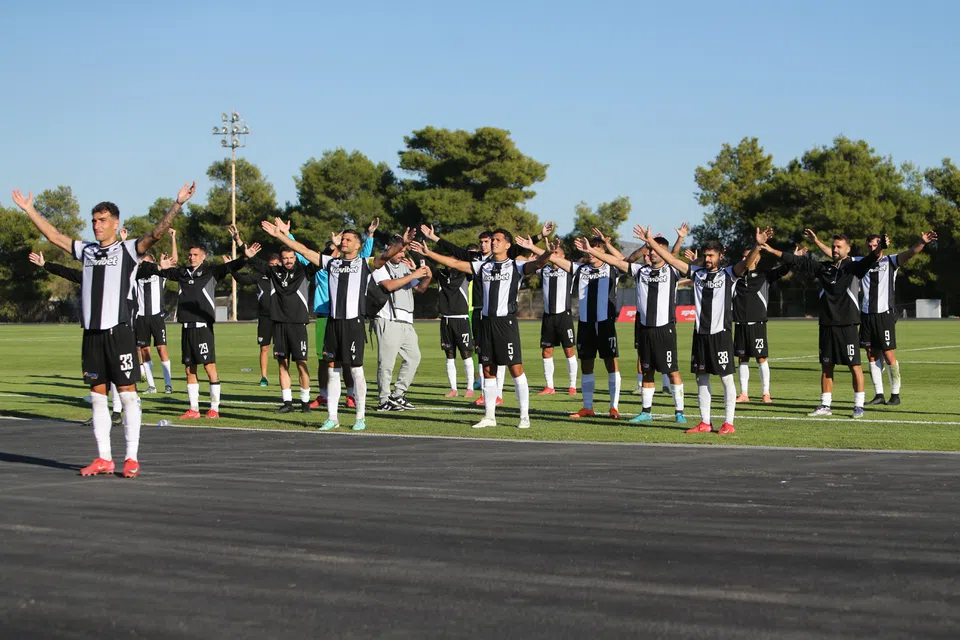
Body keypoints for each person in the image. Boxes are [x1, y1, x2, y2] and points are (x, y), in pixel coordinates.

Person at [12, 181, 197, 478]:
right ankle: (104, 458)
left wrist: (177, 204)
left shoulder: (127, 250)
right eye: (94, 221)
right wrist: (29, 209)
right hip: (92, 334)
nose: (97, 226)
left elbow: (155, 234)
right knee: (98, 397)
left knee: (127, 395)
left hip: (119, 332)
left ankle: (131, 458)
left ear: (115, 223)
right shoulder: (86, 250)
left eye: (102, 220)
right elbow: (54, 236)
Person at [261, 222, 422, 431]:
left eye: (348, 239)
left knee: (356, 371)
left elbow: (385, 256)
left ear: (357, 245)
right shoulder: (332, 263)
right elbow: (304, 251)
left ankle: (360, 417)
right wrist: (280, 235)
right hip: (333, 323)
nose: (343, 242)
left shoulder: (364, 263)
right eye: (343, 239)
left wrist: (402, 244)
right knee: (333, 372)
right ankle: (332, 418)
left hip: (353, 324)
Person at [409, 231, 557, 429]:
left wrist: (548, 253)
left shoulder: (516, 265)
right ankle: (489, 416)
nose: (494, 243)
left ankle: (524, 416)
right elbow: (455, 263)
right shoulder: (482, 266)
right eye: (492, 240)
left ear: (507, 245)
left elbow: (537, 264)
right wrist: (429, 254)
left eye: (498, 240)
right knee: (488, 370)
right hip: (486, 323)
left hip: (506, 324)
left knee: (515, 369)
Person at [639, 225, 772, 434]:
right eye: (706, 255)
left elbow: (746, 263)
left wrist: (758, 245)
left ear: (720, 256)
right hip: (700, 335)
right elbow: (671, 259)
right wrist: (650, 242)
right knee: (701, 378)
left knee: (726, 379)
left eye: (712, 255)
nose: (708, 259)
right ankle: (705, 422)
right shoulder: (697, 273)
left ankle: (729, 423)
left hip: (721, 335)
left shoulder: (729, 274)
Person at [805, 229, 938, 406]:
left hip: (884, 313)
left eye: (876, 245)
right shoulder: (859, 262)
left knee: (888, 354)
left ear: (881, 245)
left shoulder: (890, 261)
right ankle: (879, 394)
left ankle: (895, 394)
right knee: (871, 354)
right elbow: (834, 253)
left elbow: (910, 253)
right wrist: (816, 241)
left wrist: (922, 242)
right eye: (870, 246)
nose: (873, 248)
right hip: (866, 314)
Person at [763, 233, 884, 418]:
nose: (835, 249)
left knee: (855, 366)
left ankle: (858, 406)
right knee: (827, 367)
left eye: (839, 247)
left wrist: (881, 246)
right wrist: (771, 249)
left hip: (848, 325)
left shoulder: (854, 267)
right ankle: (825, 405)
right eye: (833, 246)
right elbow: (796, 260)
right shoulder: (823, 268)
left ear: (848, 249)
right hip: (827, 325)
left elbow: (872, 257)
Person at [576, 235, 688, 424]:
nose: (651, 253)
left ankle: (679, 412)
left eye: (655, 249)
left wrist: (679, 240)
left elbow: (685, 263)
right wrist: (592, 250)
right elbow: (617, 261)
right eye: (650, 249)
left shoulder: (673, 270)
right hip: (644, 329)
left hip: (665, 329)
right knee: (647, 371)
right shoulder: (640, 270)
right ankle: (646, 412)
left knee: (672, 371)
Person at [155, 224, 260, 419]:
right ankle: (194, 409)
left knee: (209, 367)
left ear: (203, 256)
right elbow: (162, 272)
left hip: (203, 328)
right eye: (190, 255)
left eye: (195, 255)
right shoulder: (182, 273)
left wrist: (245, 257)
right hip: (186, 328)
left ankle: (214, 408)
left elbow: (231, 266)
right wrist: (161, 267)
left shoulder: (211, 271)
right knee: (189, 369)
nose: (192, 257)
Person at [519, 235, 622, 419]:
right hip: (585, 324)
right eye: (588, 249)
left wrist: (607, 245)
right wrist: (533, 247)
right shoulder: (580, 269)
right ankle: (587, 407)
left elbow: (624, 260)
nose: (590, 253)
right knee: (586, 364)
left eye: (595, 249)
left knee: (611, 363)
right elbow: (553, 258)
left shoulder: (611, 268)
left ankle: (614, 407)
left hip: (605, 324)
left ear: (603, 251)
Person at [29, 251, 125, 427]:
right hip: (91, 330)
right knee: (96, 375)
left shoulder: (116, 276)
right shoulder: (87, 276)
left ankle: (117, 412)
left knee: (114, 372)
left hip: (113, 329)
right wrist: (45, 265)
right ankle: (100, 414)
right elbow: (66, 272)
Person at [246, 218, 319, 414]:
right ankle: (287, 402)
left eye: (291, 257)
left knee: (301, 364)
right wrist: (249, 256)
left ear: (296, 258)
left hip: (298, 325)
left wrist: (287, 235)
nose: (288, 261)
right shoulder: (274, 272)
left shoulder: (304, 272)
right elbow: (257, 263)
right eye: (285, 258)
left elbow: (318, 259)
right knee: (282, 364)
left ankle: (305, 402)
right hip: (278, 324)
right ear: (280, 259)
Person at [304, 220, 376, 408]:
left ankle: (351, 395)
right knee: (325, 360)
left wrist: (370, 236)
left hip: (349, 318)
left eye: (345, 242)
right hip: (325, 317)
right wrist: (284, 235)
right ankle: (323, 396)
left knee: (349, 362)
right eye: (336, 248)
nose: (339, 249)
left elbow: (364, 257)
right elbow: (303, 254)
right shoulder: (324, 268)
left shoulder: (354, 264)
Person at [732, 245, 799, 404]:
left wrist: (793, 258)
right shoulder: (735, 277)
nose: (744, 259)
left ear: (756, 259)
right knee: (742, 358)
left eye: (747, 256)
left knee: (761, 358)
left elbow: (783, 270)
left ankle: (766, 393)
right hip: (740, 323)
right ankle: (744, 393)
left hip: (758, 324)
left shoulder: (764, 275)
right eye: (743, 256)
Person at [372, 244, 432, 411]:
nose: (402, 254)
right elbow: (389, 286)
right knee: (386, 363)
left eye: (403, 251)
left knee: (414, 358)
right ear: (389, 250)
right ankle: (383, 400)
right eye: (398, 251)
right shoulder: (380, 266)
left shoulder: (405, 267)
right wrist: (414, 274)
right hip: (388, 319)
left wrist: (427, 276)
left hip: (406, 320)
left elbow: (420, 288)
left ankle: (397, 394)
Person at [125, 227, 177, 395]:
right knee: (145, 351)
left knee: (161, 349)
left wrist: (173, 238)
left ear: (153, 262)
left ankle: (168, 384)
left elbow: (174, 261)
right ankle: (152, 386)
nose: (144, 265)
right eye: (142, 263)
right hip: (141, 317)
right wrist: (124, 240)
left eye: (147, 262)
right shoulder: (136, 276)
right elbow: (126, 262)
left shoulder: (159, 273)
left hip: (156, 317)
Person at [425, 237, 477, 398]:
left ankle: (470, 387)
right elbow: (427, 262)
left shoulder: (465, 274)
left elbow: (473, 261)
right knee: (449, 355)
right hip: (445, 320)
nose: (449, 261)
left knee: (466, 354)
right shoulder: (440, 274)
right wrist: (411, 248)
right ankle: (453, 389)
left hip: (461, 319)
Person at [230, 253, 281, 386]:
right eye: (271, 265)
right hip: (265, 317)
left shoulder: (283, 276)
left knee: (282, 350)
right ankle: (264, 377)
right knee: (264, 348)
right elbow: (243, 280)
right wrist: (232, 269)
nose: (274, 267)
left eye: (276, 265)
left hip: (281, 317)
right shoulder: (260, 276)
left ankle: (284, 375)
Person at [534, 242, 578, 396]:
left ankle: (572, 385)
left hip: (564, 316)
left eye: (556, 253)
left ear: (563, 256)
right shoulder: (544, 269)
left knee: (569, 350)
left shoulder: (569, 269)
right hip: (548, 317)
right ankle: (549, 386)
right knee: (546, 351)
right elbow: (525, 262)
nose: (553, 256)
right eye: (551, 253)